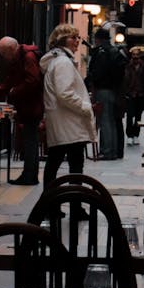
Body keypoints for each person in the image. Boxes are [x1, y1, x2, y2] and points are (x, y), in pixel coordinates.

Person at [39, 23, 97, 188]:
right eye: (73, 37)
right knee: (75, 167)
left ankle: (52, 206)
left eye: (78, 37)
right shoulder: (63, 62)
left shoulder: (58, 60)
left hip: (64, 122)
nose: (77, 41)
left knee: (55, 163)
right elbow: (64, 93)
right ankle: (72, 206)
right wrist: (85, 107)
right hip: (69, 123)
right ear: (62, 40)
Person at [0, 36, 43, 185]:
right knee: (30, 140)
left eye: (3, 54)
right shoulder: (20, 58)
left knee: (30, 141)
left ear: (11, 50)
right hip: (28, 105)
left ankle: (29, 176)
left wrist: (15, 91)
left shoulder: (28, 57)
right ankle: (30, 175)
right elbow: (8, 83)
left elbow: (32, 81)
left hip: (31, 106)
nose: (4, 58)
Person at [86, 26, 127, 160]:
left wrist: (91, 80)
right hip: (113, 90)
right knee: (111, 120)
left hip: (103, 89)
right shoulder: (114, 51)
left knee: (105, 120)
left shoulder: (103, 52)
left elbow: (98, 72)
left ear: (98, 39)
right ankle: (112, 150)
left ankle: (107, 151)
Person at [123, 51, 144, 145]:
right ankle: (130, 135)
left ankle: (136, 135)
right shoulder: (127, 66)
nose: (135, 58)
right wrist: (126, 92)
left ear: (140, 57)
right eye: (134, 56)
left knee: (138, 116)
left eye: (137, 56)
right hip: (130, 94)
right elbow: (125, 80)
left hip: (140, 94)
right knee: (130, 116)